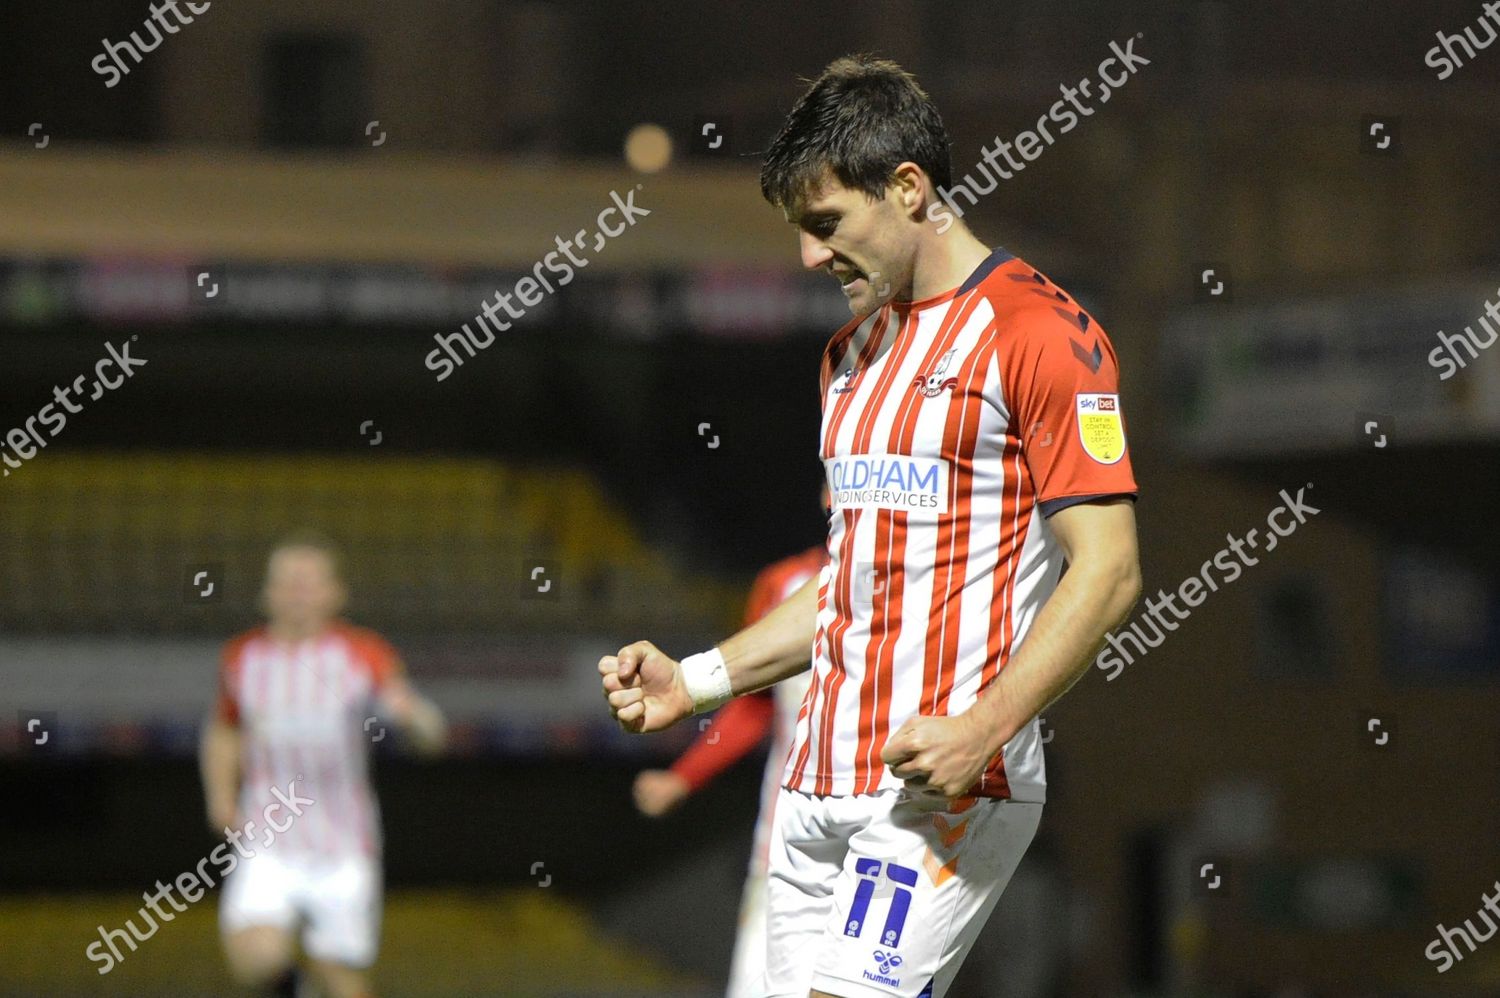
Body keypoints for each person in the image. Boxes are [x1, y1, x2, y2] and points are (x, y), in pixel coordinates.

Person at [601, 55, 1141, 998]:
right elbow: (853, 581)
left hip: (941, 790)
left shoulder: (1041, 334)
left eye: (826, 225)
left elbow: (1110, 572)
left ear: (908, 188)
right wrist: (693, 682)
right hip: (810, 791)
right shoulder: (849, 355)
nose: (811, 257)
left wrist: (986, 726)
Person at [200, 533, 447, 998]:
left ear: (336, 594)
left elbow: (426, 727)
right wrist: (220, 795)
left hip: (343, 843)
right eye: (288, 583)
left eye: (310, 584)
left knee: (341, 976)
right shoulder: (242, 657)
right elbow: (225, 728)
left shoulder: (363, 653)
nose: (298, 594)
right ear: (267, 594)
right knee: (253, 957)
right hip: (267, 837)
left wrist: (416, 719)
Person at [633, 517, 828, 998]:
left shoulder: (928, 579)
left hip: (892, 833)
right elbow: (755, 702)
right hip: (788, 837)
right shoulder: (783, 584)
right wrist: (684, 777)